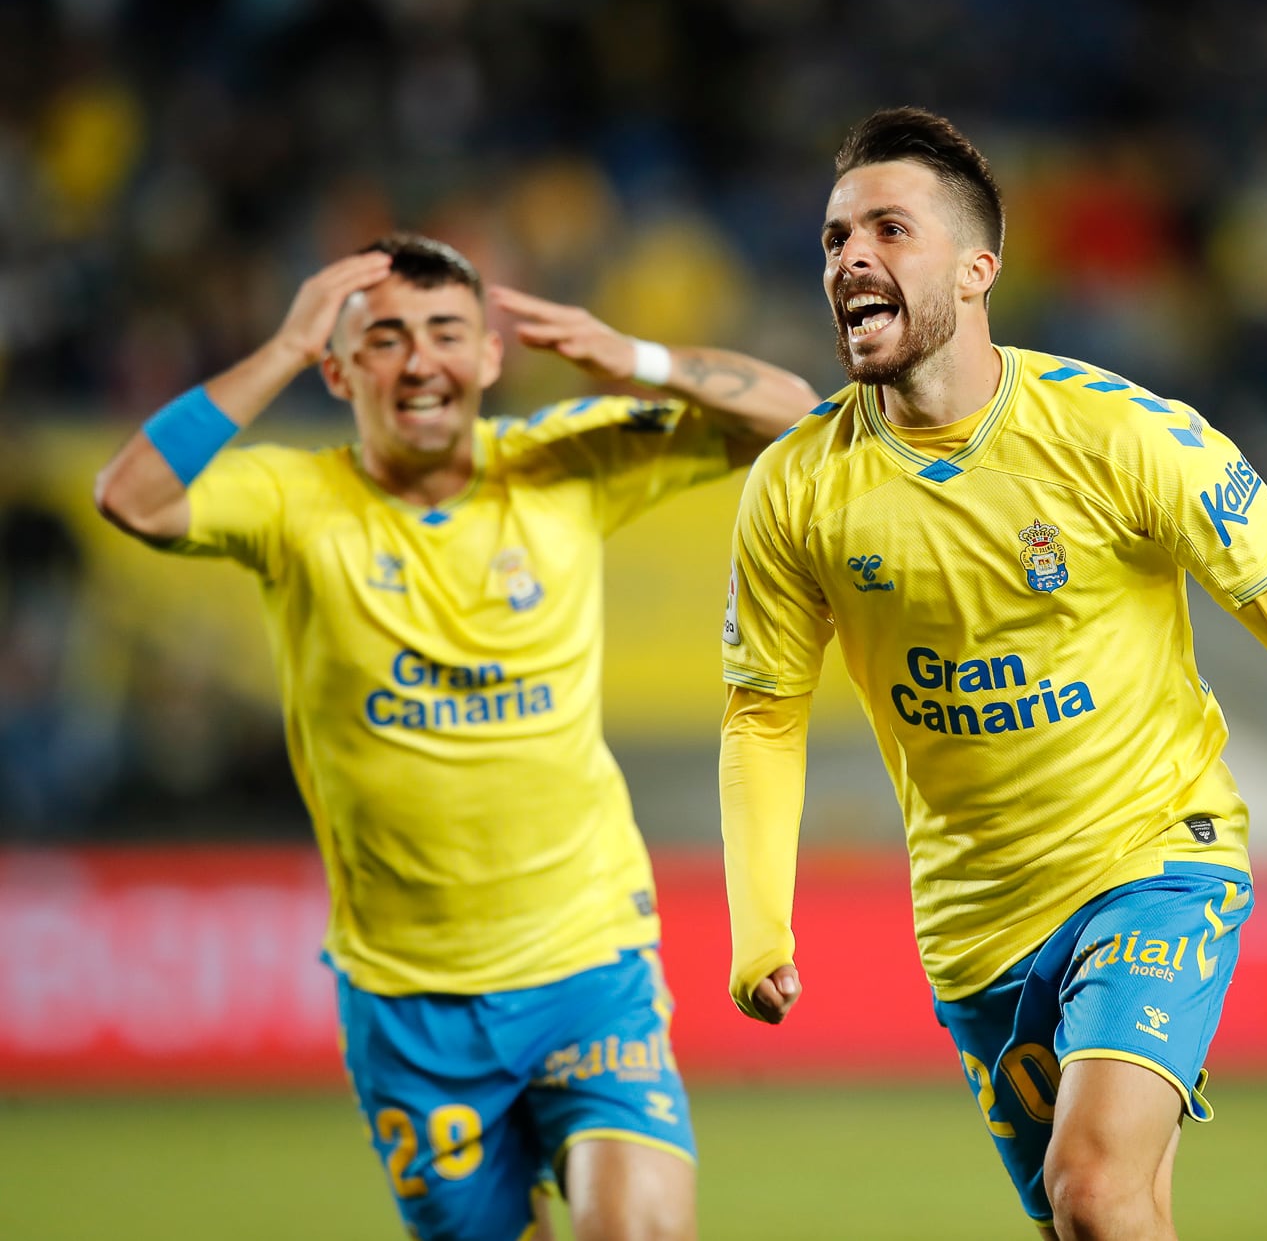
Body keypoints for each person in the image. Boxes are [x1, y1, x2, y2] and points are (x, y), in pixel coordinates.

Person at [716, 107, 1267, 1241]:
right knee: (1107, 1218)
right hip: (973, 925)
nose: (850, 258)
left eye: (886, 230)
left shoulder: (1124, 437)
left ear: (978, 269)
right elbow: (764, 716)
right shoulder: (793, 489)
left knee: (1093, 1185)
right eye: (832, 239)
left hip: (1154, 860)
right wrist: (758, 919)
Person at [94, 234, 818, 1241]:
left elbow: (798, 415)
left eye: (445, 332)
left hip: (586, 962)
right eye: (383, 339)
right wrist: (281, 344)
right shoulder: (293, 501)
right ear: (339, 369)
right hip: (408, 1000)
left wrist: (637, 360)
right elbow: (129, 495)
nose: (420, 359)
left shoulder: (564, 459)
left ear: (487, 358)